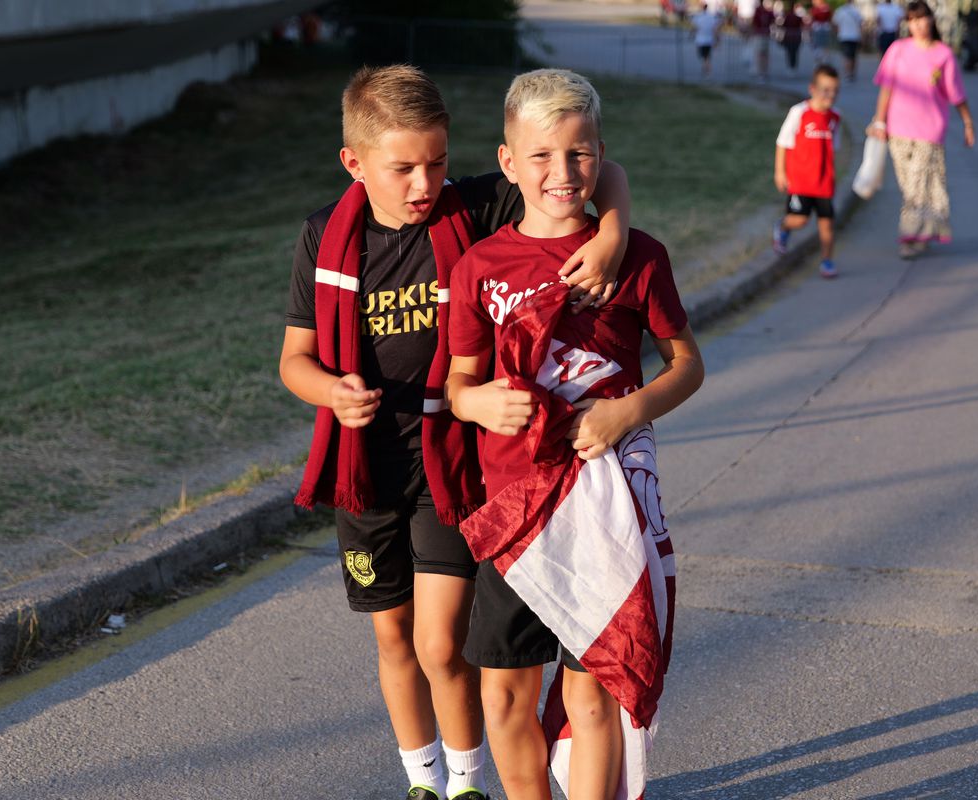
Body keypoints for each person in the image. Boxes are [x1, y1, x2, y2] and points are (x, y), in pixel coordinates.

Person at [279, 64, 632, 800]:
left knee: (442, 643)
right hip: (365, 469)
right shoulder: (324, 236)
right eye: (402, 168)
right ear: (354, 162)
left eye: (436, 161)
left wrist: (612, 233)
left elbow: (601, 170)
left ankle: (469, 783)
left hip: (449, 466)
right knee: (391, 638)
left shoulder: (468, 208)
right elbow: (295, 360)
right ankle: (424, 781)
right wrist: (330, 392)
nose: (423, 183)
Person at [445, 69, 704, 800]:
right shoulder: (480, 268)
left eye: (581, 154)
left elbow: (688, 366)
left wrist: (630, 410)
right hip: (515, 512)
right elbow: (459, 383)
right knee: (503, 697)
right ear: (507, 163)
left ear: (600, 153)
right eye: (542, 157)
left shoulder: (638, 256)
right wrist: (474, 406)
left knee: (593, 698)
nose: (563, 173)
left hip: (602, 511)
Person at [869, 0, 975, 258]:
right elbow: (886, 88)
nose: (918, 25)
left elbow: (956, 94)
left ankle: (908, 237)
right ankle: (924, 230)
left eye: (922, 19)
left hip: (930, 130)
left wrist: (967, 122)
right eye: (913, 20)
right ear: (908, 24)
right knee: (909, 185)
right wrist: (879, 120)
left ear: (931, 20)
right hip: (898, 128)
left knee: (918, 184)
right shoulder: (897, 50)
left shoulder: (943, 54)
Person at [773, 64, 842, 279]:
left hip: (824, 182)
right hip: (801, 180)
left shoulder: (835, 117)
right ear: (812, 88)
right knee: (800, 220)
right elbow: (782, 142)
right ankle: (783, 228)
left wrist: (832, 174)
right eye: (825, 90)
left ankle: (827, 261)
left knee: (826, 224)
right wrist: (780, 172)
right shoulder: (799, 112)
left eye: (834, 91)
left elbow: (834, 148)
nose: (830, 95)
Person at [832, 0, 863, 80]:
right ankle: (852, 72)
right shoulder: (856, 10)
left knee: (846, 55)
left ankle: (848, 73)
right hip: (855, 36)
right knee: (853, 55)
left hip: (844, 36)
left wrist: (837, 33)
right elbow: (860, 24)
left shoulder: (840, 10)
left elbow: (835, 24)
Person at [691, 2, 723, 76]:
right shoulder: (711, 17)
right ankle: (706, 68)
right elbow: (716, 28)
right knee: (706, 56)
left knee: (705, 56)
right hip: (709, 40)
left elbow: (695, 27)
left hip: (701, 40)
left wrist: (692, 34)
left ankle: (707, 70)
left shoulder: (699, 17)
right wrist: (718, 39)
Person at [751, 0, 776, 80]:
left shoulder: (765, 12)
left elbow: (773, 20)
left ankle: (762, 72)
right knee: (762, 54)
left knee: (762, 55)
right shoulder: (759, 11)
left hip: (763, 35)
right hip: (762, 34)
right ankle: (762, 72)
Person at [779, 1, 805, 74]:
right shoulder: (796, 17)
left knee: (790, 52)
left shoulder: (788, 16)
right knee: (794, 52)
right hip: (795, 37)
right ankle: (793, 66)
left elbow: (783, 25)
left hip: (790, 36)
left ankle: (791, 67)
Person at [808, 0, 834, 64]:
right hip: (821, 28)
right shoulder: (815, 9)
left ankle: (823, 59)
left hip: (821, 28)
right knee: (819, 44)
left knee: (823, 44)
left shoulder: (824, 8)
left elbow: (830, 18)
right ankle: (820, 59)